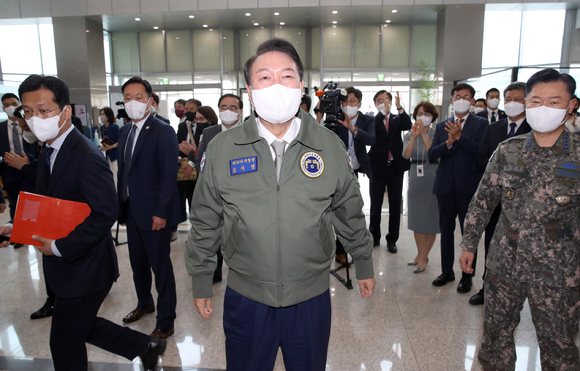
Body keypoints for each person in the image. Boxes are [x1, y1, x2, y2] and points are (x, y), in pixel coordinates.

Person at [185, 38, 375, 371]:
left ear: (301, 85)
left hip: (311, 297)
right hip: (247, 296)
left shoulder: (327, 145)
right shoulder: (224, 148)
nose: (276, 85)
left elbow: (348, 209)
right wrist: (201, 278)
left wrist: (363, 261)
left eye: (286, 76)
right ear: (249, 89)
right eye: (264, 77)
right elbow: (205, 219)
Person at [0, 74, 165, 371]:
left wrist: (61, 247)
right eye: (28, 111)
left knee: (64, 342)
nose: (35, 118)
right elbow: (52, 205)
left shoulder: (85, 155)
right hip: (67, 268)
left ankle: (145, 346)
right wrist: (17, 228)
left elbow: (105, 212)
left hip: (86, 267)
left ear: (65, 111)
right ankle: (145, 346)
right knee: (80, 327)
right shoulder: (49, 148)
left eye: (43, 110)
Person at [459, 68, 580, 370]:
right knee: (495, 340)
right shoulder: (507, 151)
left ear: (571, 106)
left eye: (554, 102)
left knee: (560, 347)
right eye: (536, 101)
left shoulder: (577, 155)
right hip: (504, 267)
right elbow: (483, 201)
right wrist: (469, 243)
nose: (543, 109)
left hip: (558, 274)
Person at [117, 76, 181, 340]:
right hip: (132, 210)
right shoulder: (124, 131)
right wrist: (121, 208)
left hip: (155, 213)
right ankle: (145, 302)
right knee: (137, 263)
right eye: (128, 98)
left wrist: (161, 213)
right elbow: (124, 173)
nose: (133, 102)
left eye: (139, 97)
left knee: (160, 266)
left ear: (150, 101)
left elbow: (168, 175)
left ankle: (166, 319)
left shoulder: (163, 131)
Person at [469, 82, 532, 306]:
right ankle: (488, 288)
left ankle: (517, 294)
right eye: (509, 99)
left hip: (525, 203)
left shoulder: (535, 129)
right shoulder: (493, 128)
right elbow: (481, 157)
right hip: (497, 197)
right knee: (492, 245)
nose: (513, 103)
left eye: (519, 99)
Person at [428, 83, 488, 292]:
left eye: (466, 96)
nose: (461, 99)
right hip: (445, 186)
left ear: (472, 101)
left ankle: (467, 275)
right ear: (452, 100)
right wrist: (448, 143)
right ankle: (447, 271)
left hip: (468, 187)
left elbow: (482, 153)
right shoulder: (442, 124)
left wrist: (460, 138)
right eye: (457, 96)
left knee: (468, 233)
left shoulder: (482, 124)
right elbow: (432, 153)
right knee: (446, 230)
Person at [316, 86, 375, 265]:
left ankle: (346, 249)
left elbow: (371, 139)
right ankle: (335, 251)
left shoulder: (366, 119)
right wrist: (320, 116)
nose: (347, 105)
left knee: (349, 211)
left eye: (352, 101)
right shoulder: (334, 117)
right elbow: (319, 138)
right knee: (331, 210)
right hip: (334, 171)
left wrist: (353, 128)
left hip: (354, 171)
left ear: (359, 103)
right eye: (344, 101)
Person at [194, 95, 243, 283]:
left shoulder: (249, 132)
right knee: (215, 230)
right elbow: (201, 159)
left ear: (240, 112)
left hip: (239, 194)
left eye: (232, 107)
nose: (227, 111)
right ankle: (215, 271)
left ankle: (239, 271)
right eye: (223, 107)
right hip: (215, 192)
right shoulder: (209, 132)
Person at [368, 90, 412, 252]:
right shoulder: (374, 119)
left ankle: (392, 239)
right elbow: (375, 126)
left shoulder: (397, 118)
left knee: (395, 205)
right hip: (377, 167)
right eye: (380, 100)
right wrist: (383, 112)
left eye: (387, 99)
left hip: (395, 168)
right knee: (375, 204)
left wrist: (400, 108)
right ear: (375, 104)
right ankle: (374, 236)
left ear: (392, 102)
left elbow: (408, 125)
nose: (384, 102)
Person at [402, 101, 440, 273]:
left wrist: (424, 134)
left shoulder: (438, 133)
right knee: (417, 219)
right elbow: (406, 154)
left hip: (433, 175)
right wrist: (415, 135)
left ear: (432, 116)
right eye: (419, 113)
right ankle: (420, 253)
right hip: (416, 177)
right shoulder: (409, 135)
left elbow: (433, 152)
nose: (422, 116)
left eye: (426, 113)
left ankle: (424, 256)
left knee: (430, 219)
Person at [1, 93, 37, 233]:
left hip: (30, 169)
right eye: (7, 105)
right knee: (15, 205)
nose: (11, 107)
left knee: (32, 204)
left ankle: (31, 231)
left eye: (14, 104)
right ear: (3, 108)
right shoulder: (1, 128)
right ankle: (18, 233)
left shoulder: (29, 126)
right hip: (10, 172)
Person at [175, 98, 205, 238]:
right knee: (188, 198)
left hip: (198, 167)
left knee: (199, 200)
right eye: (186, 109)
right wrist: (179, 159)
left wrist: (192, 160)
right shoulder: (182, 126)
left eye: (191, 109)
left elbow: (202, 149)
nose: (188, 112)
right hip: (184, 169)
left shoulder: (204, 126)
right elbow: (178, 145)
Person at [98, 107, 120, 187]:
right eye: (101, 114)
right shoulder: (102, 128)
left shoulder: (114, 127)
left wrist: (112, 146)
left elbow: (121, 140)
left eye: (103, 114)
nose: (101, 116)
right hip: (107, 155)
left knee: (115, 176)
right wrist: (103, 147)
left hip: (114, 155)